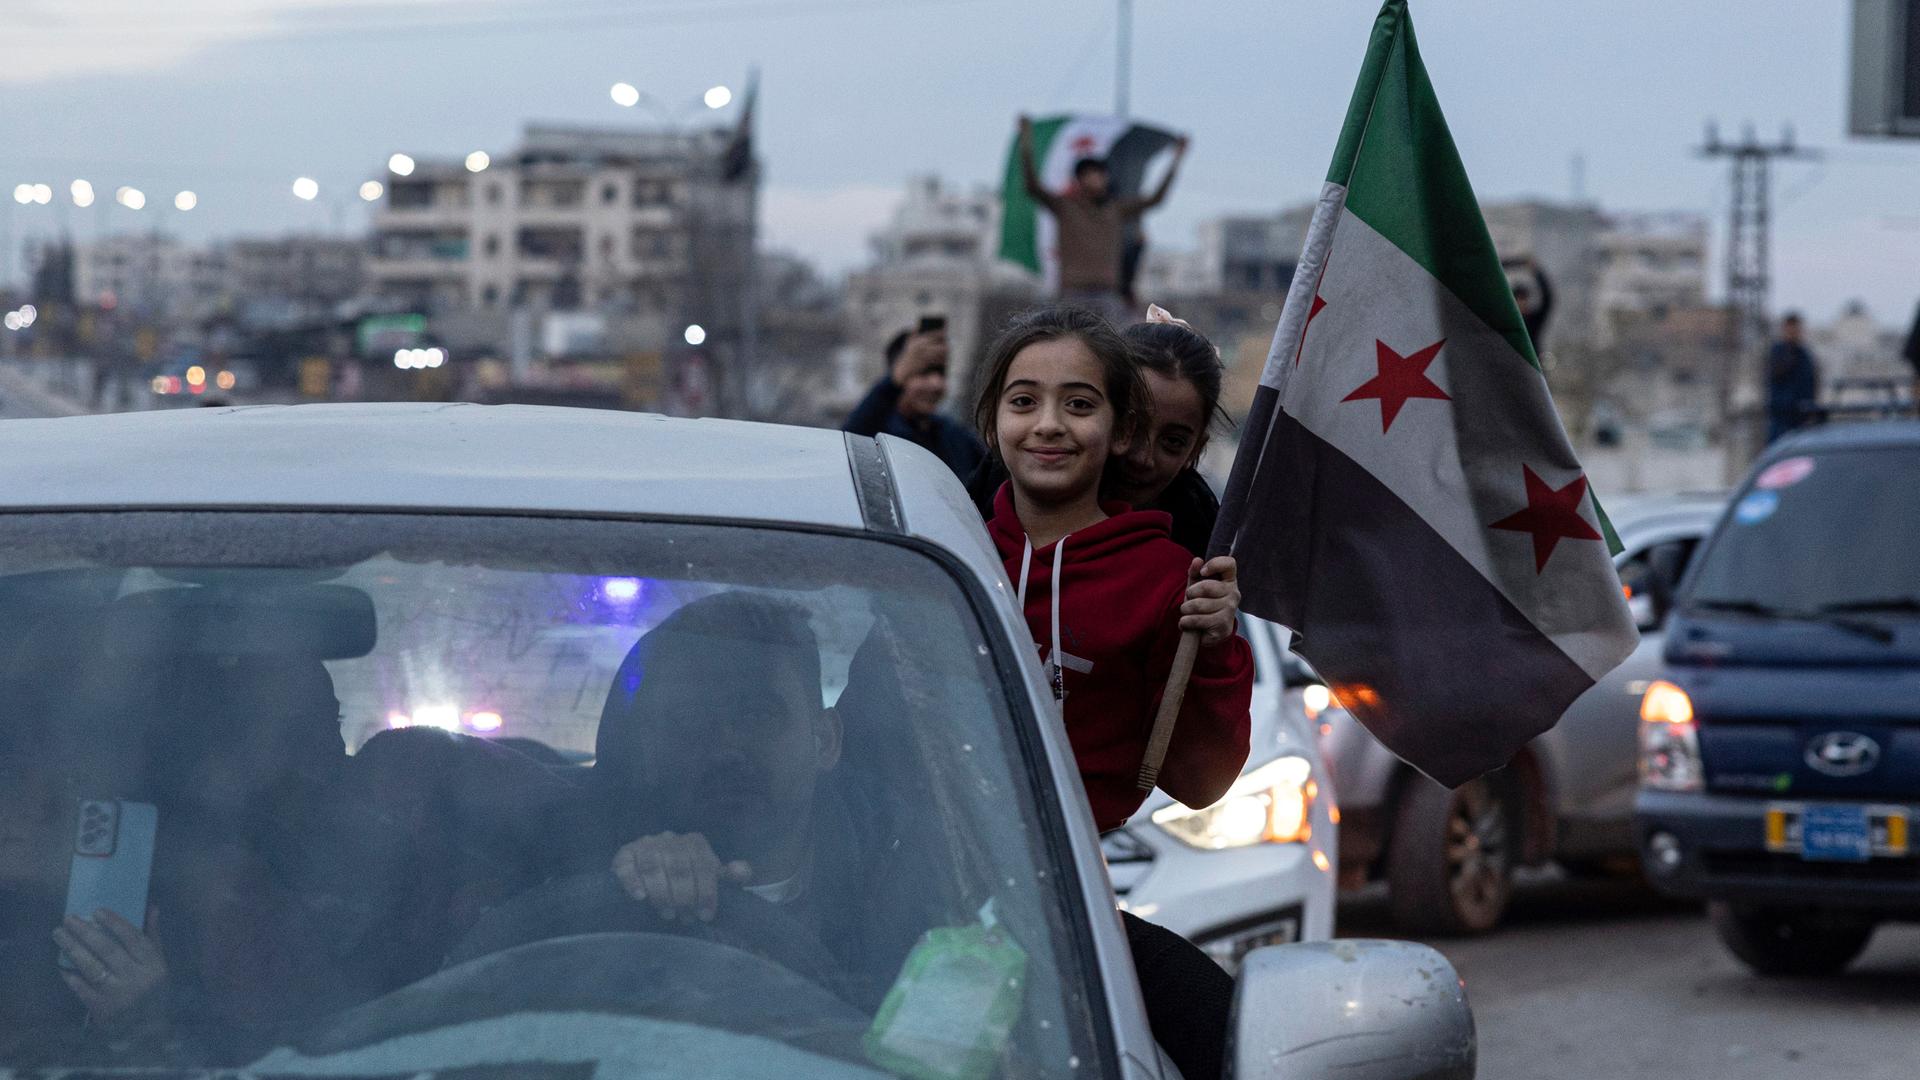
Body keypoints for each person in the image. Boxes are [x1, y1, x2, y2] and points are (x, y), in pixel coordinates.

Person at [972, 304, 1250, 1080]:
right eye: (1024, 401)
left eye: (1080, 404)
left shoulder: (1175, 583)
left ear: (1116, 430)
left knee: (1234, 1038)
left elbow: (1201, 781)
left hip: (1067, 904)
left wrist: (1219, 650)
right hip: (915, 881)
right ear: (990, 420)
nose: (1050, 425)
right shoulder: (945, 547)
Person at [968, 305, 1230, 560]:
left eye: (1173, 442)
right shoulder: (971, 526)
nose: (1142, 457)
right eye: (1133, 427)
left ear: (1195, 450)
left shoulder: (1192, 562)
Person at [1018, 116, 1188, 321]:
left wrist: (1177, 159)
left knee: (1121, 344)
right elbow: (1032, 186)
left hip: (1108, 295)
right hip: (1073, 295)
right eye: (1090, 175)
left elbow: (1155, 199)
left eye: (1100, 175)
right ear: (1079, 180)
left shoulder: (1115, 209)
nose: (1096, 180)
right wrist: (1026, 141)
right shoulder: (1065, 206)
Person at [842, 322, 986, 480]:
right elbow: (847, 443)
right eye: (923, 373)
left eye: (941, 374)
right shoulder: (875, 437)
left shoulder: (956, 437)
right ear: (899, 375)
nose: (936, 384)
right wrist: (894, 379)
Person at [1766, 312, 1820, 442]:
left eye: (1796, 329)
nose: (1794, 332)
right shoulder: (1778, 351)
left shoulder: (1804, 355)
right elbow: (1776, 373)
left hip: (1801, 418)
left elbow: (1811, 383)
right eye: (1791, 329)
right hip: (1781, 417)